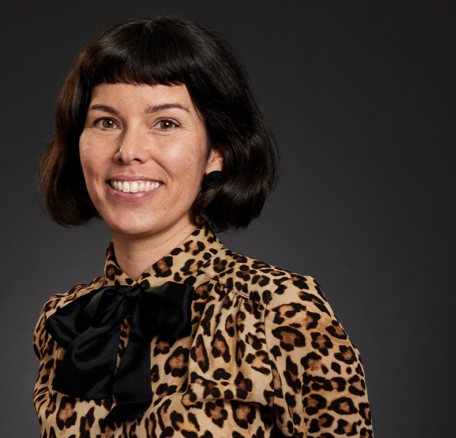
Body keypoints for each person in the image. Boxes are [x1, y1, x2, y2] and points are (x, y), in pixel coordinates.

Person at [33, 16, 373, 438]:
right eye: (106, 122)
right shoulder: (65, 321)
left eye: (165, 123)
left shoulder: (278, 309)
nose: (128, 151)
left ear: (217, 151)